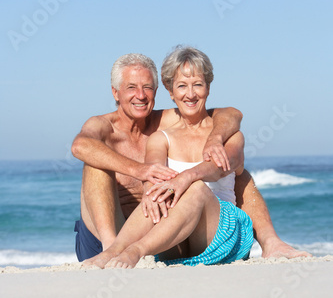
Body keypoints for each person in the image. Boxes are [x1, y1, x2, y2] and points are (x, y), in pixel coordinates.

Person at [72, 51, 309, 265]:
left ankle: (270, 241)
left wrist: (216, 138)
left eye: (147, 87)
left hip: (170, 230)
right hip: (118, 230)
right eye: (131, 87)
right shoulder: (103, 126)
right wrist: (140, 171)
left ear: (158, 91)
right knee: (95, 162)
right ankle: (111, 247)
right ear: (115, 92)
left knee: (239, 174)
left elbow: (232, 114)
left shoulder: (166, 120)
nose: (141, 96)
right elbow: (80, 145)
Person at [84, 46, 253, 269]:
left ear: (208, 88)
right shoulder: (161, 136)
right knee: (158, 190)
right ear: (170, 91)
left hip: (219, 230)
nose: (190, 94)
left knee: (196, 187)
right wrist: (149, 186)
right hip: (175, 235)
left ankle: (136, 251)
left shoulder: (228, 132)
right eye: (182, 86)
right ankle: (114, 249)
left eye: (198, 85)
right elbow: (152, 172)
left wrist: (188, 175)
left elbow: (220, 164)